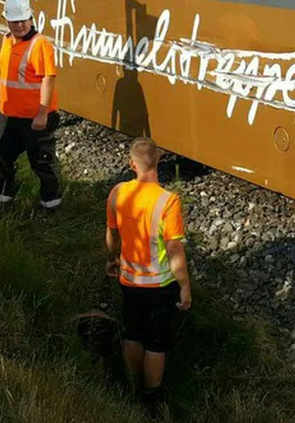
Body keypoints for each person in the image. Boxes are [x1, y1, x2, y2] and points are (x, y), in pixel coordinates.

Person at [105, 138, 191, 410]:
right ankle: (150, 397)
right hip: (160, 285)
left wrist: (113, 258)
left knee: (133, 333)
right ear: (159, 162)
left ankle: (130, 385)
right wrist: (185, 286)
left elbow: (112, 235)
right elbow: (174, 247)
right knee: (156, 343)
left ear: (132, 164)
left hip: (129, 281)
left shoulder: (118, 192)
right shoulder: (168, 201)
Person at [0, 0, 63, 211]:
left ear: (31, 18)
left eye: (24, 20)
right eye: (15, 21)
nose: (20, 25)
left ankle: (51, 204)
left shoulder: (39, 45)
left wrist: (42, 113)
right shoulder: (6, 40)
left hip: (35, 117)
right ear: (6, 21)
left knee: (42, 161)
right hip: (9, 114)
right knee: (1, 157)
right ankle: (2, 202)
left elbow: (48, 79)